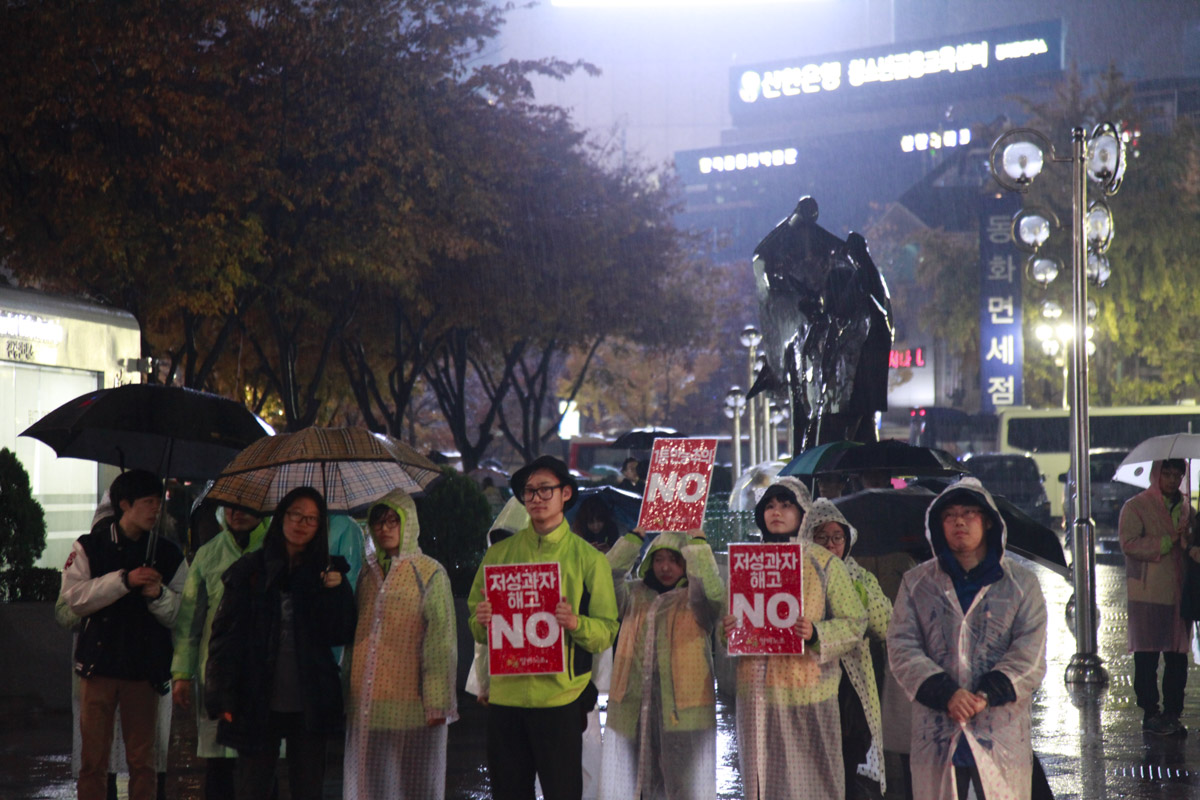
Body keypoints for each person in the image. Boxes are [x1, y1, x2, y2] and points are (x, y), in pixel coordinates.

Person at [468, 455, 619, 800]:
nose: (536, 498)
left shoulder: (589, 559)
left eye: (545, 489)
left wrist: (575, 623)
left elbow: (606, 631)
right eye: (529, 491)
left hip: (560, 701)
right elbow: (476, 626)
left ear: (566, 493)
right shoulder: (498, 555)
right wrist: (481, 620)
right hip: (506, 701)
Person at [888, 478, 1047, 800]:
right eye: (950, 515)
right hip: (936, 732)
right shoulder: (916, 583)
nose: (959, 521)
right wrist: (945, 693)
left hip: (1000, 731)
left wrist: (987, 694)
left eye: (969, 513)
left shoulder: (1021, 584)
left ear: (987, 521)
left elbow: (1030, 653)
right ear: (938, 524)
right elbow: (902, 646)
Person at [205, 486, 357, 800]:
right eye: (295, 515)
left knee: (308, 789)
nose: (302, 523)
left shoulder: (327, 572)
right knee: (253, 788)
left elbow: (340, 632)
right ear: (281, 517)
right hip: (256, 697)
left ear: (320, 526)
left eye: (311, 519)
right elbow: (226, 637)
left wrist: (336, 592)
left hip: (310, 702)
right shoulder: (251, 570)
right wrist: (222, 696)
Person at [724, 476, 868, 800]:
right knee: (762, 781)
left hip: (807, 696)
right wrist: (729, 629)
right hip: (756, 699)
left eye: (786, 505)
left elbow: (855, 623)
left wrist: (817, 633)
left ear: (802, 512)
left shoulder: (823, 562)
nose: (776, 512)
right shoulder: (746, 563)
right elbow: (730, 631)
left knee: (811, 782)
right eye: (770, 505)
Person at [61, 470, 187, 800]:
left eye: (158, 502)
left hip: (143, 671)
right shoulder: (90, 547)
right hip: (98, 667)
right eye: (148, 502)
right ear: (124, 505)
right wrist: (123, 581)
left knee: (143, 762)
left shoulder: (168, 553)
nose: (155, 509)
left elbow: (181, 613)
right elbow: (74, 598)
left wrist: (158, 595)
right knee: (93, 761)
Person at [344, 489, 457, 800]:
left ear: (410, 523)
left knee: (413, 785)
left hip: (411, 705)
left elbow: (440, 641)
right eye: (378, 522)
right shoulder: (366, 574)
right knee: (370, 786)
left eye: (393, 520)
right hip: (366, 704)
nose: (385, 528)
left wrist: (437, 701)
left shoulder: (429, 572)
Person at [599, 526, 724, 800]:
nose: (665, 567)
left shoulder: (696, 600)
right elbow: (605, 577)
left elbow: (715, 595)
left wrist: (699, 545)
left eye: (675, 560)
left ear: (687, 563)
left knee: (684, 789)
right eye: (658, 559)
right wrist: (633, 539)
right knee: (635, 787)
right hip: (632, 709)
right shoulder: (632, 595)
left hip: (685, 714)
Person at [171, 505, 268, 800]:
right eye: (230, 506)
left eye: (245, 506)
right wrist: (182, 672)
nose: (236, 512)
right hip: (216, 672)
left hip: (264, 673)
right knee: (218, 766)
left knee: (261, 766)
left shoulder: (278, 549)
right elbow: (190, 620)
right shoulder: (208, 553)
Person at [799, 499, 890, 799]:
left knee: (848, 765)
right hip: (808, 686)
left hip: (851, 693)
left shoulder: (860, 576)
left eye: (837, 537)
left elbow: (885, 625)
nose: (830, 544)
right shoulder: (798, 576)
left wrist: (859, 595)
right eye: (821, 536)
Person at [1118, 458, 1196, 736]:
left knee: (1177, 657)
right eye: (1168, 474)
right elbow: (1128, 543)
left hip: (1179, 594)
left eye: (1177, 475)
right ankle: (1150, 711)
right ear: (1156, 474)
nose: (1173, 480)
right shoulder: (1136, 507)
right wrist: (1166, 542)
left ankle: (1172, 712)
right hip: (1149, 592)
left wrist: (1188, 541)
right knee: (1147, 656)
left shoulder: (1187, 509)